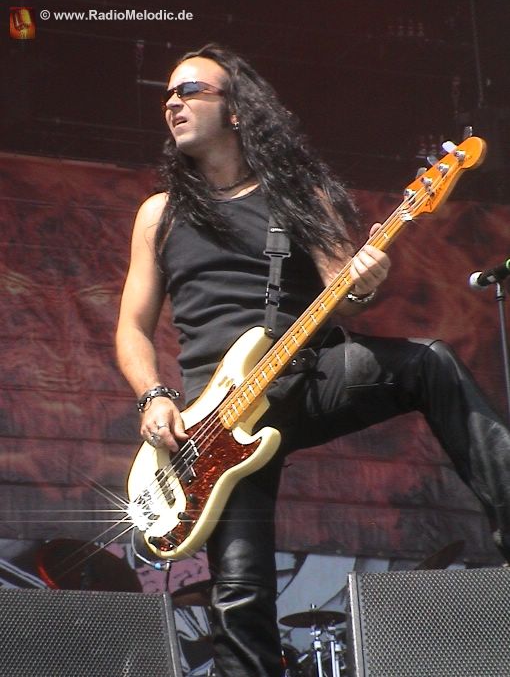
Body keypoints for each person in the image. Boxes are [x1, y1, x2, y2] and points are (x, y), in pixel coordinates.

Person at [115, 43, 510, 677]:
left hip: (305, 373)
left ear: (236, 110)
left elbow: (344, 294)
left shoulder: (298, 196)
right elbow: (133, 328)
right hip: (210, 423)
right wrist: (153, 396)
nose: (172, 103)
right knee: (239, 593)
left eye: (189, 91)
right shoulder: (157, 215)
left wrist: (364, 280)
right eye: (168, 94)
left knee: (429, 363)